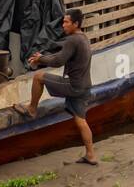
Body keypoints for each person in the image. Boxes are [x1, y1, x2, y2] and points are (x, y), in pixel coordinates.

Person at [14, 10, 96, 163]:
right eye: (63, 21)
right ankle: (90, 154)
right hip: (84, 86)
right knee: (80, 120)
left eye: (66, 22)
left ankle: (32, 109)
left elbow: (58, 61)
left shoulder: (73, 40)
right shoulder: (83, 38)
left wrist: (40, 60)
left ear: (76, 24)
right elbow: (60, 57)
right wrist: (42, 58)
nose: (63, 25)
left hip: (73, 86)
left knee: (38, 77)